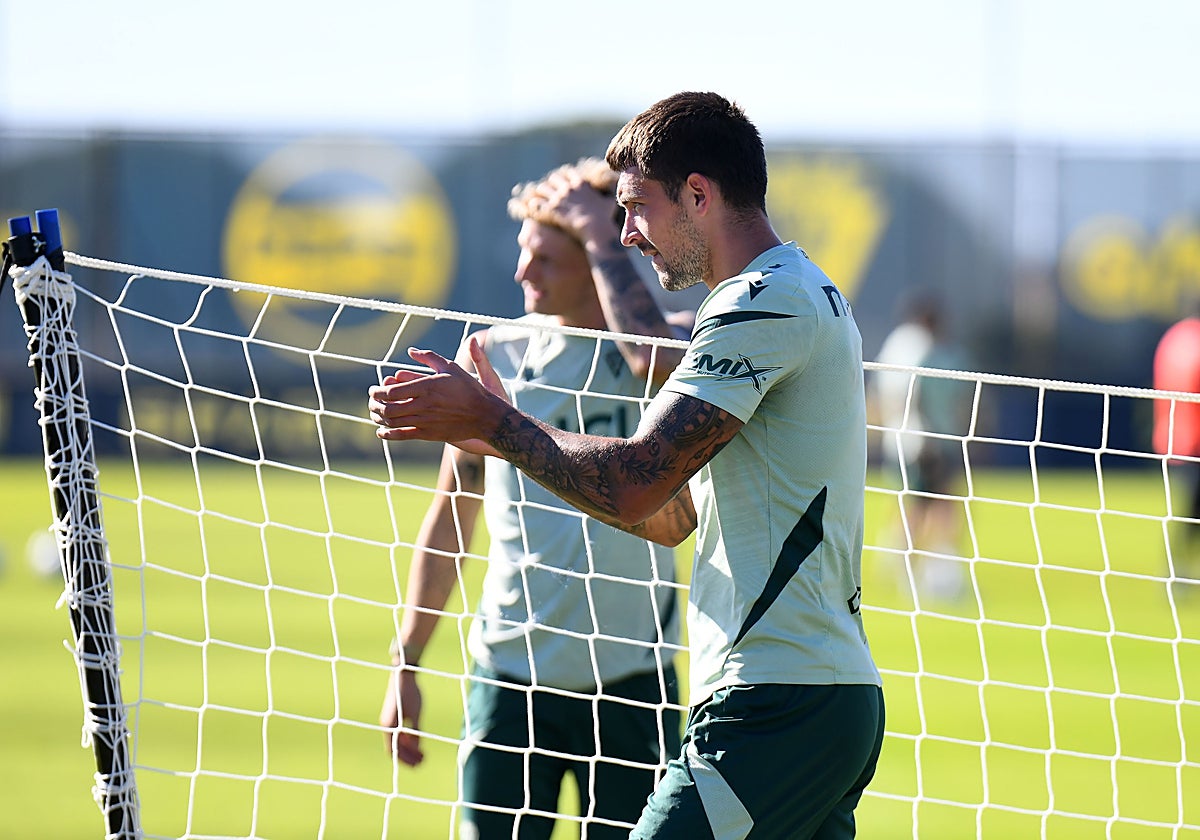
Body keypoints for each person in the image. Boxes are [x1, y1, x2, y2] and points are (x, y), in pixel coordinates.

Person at [370, 91, 885, 839]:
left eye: (637, 208)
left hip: (775, 700)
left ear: (699, 195)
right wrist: (510, 440)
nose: (631, 234)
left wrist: (497, 423)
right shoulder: (778, 295)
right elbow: (668, 513)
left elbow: (639, 476)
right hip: (796, 694)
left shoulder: (765, 303)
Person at [380, 157, 692, 840]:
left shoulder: (661, 352)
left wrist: (604, 229)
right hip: (510, 678)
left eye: (545, 259)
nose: (524, 274)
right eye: (525, 255)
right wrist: (406, 661)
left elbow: (662, 362)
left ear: (597, 262)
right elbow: (449, 520)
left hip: (634, 683)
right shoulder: (493, 360)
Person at [870, 289, 973, 602]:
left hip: (908, 440)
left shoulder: (898, 343)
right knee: (928, 507)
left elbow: (882, 393)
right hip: (921, 442)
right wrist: (921, 434)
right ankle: (924, 573)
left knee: (922, 505)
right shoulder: (917, 346)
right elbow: (904, 396)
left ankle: (920, 568)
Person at [1153, 299, 1200, 583]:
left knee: (1192, 508)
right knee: (1193, 509)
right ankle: (1176, 568)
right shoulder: (1195, 341)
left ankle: (1177, 567)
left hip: (1173, 434)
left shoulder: (1173, 337)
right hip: (1194, 438)